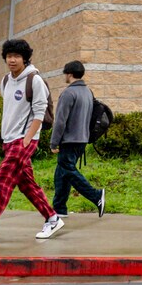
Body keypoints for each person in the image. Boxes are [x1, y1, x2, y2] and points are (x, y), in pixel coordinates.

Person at [0, 39, 64, 245]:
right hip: (9, 140)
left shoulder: (34, 80)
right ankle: (53, 218)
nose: (12, 60)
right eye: (9, 56)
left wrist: (27, 140)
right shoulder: (6, 81)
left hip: (24, 140)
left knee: (2, 179)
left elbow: (39, 113)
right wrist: (5, 138)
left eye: (17, 56)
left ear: (25, 58)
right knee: (27, 185)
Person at [50, 61, 106, 219]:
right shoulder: (88, 91)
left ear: (69, 74)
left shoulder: (68, 93)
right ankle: (59, 208)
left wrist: (54, 142)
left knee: (68, 171)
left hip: (69, 140)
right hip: (82, 139)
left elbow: (60, 121)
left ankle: (96, 196)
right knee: (61, 173)